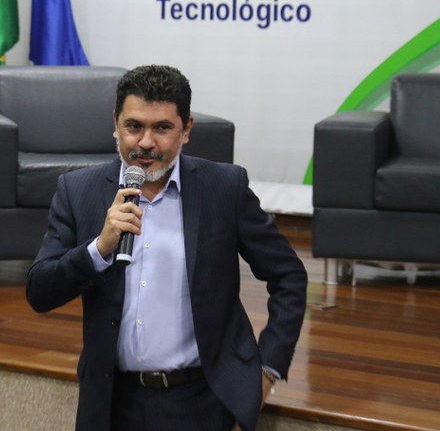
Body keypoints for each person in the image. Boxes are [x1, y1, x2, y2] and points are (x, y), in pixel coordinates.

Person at [26, 65, 308, 431]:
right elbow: (39, 292)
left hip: (203, 402)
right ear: (115, 123)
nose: (145, 143)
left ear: (186, 129)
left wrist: (267, 370)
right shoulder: (78, 191)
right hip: (112, 404)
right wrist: (98, 248)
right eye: (134, 126)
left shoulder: (224, 188)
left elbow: (288, 275)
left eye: (162, 128)